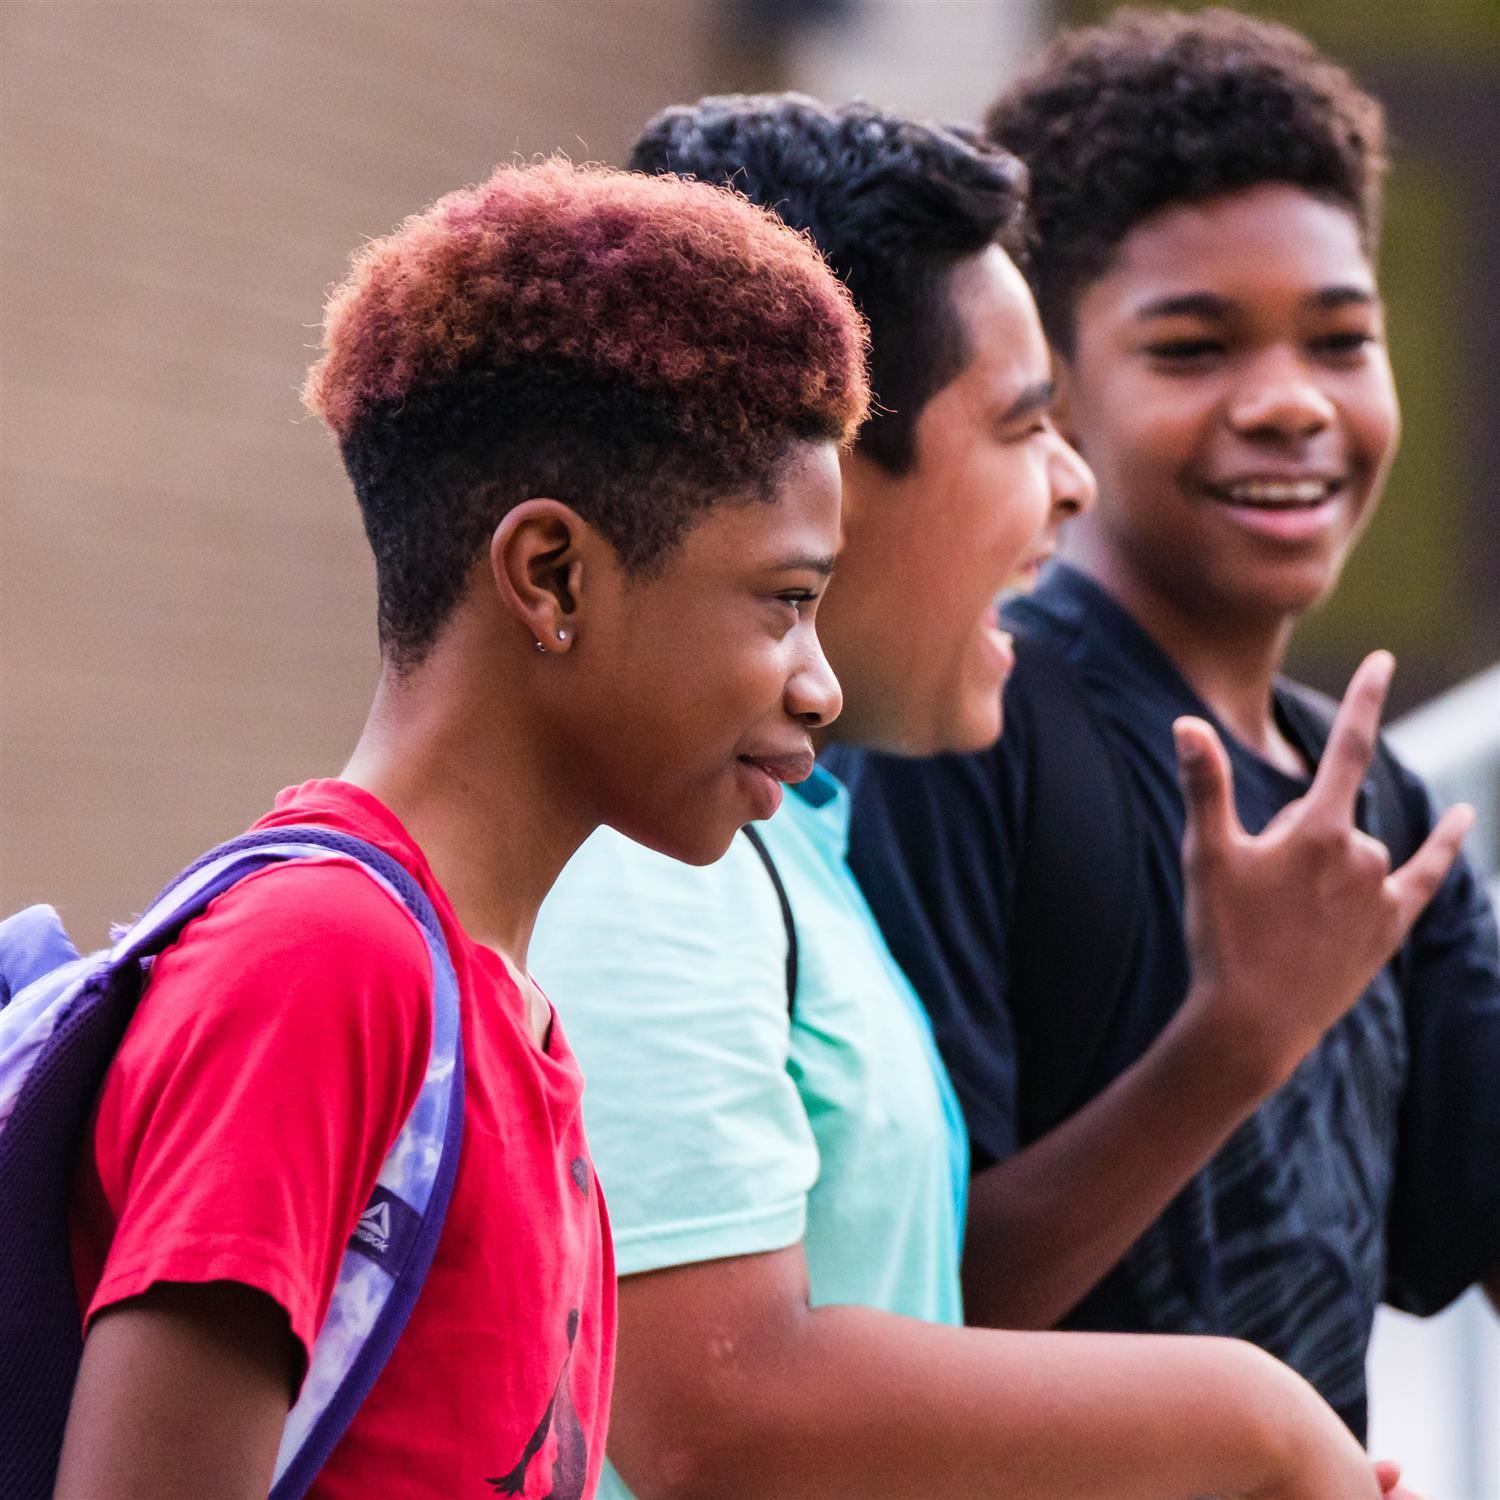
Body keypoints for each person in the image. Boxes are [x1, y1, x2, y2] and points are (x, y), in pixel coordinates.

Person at [531, 93, 1426, 1500]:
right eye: (1022, 427)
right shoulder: (643, 861)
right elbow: (715, 1419)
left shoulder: (781, 842)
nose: (1067, 486)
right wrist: (1255, 1426)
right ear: (820, 462)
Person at [56, 157, 869, 1499]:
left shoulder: (500, 1012)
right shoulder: (321, 968)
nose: (819, 683)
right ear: (550, 575)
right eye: (784, 602)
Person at [838, 4, 1499, 1443]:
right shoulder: (962, 728)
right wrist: (1234, 1041)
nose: (1288, 404)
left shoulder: (1368, 794)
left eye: (1340, 339)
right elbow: (896, 1323)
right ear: (1054, 395)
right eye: (1194, 350)